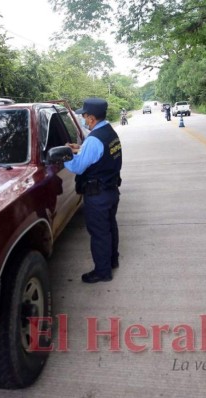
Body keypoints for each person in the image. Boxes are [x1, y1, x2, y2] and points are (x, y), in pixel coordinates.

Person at [64, 98, 122, 283]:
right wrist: (80, 148)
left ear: (90, 118)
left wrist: (65, 155)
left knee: (99, 234)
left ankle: (102, 272)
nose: (82, 118)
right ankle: (112, 260)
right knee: (110, 227)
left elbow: (78, 167)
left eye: (84, 115)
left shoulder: (94, 139)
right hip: (111, 190)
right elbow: (100, 154)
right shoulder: (108, 132)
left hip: (98, 194)